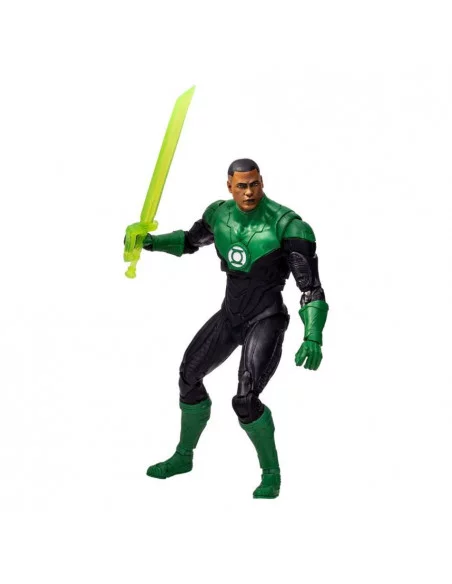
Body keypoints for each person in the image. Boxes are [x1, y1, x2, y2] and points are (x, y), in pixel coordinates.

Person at [125, 158, 328, 498]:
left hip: (266, 318)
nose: (249, 192)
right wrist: (150, 242)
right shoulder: (219, 215)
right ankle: (183, 457)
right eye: (241, 186)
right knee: (188, 376)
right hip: (230, 316)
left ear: (262, 182)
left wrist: (313, 336)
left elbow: (311, 289)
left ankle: (271, 474)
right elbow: (190, 241)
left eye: (254, 184)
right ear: (229, 186)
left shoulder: (288, 226)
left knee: (245, 401)